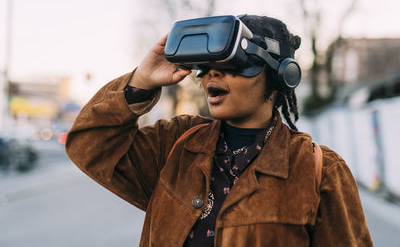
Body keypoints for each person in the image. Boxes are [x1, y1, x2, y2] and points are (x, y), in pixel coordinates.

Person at [66, 14, 373, 246]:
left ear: (280, 78)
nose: (213, 72)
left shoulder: (319, 171)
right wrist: (141, 80)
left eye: (236, 64)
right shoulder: (176, 145)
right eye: (209, 64)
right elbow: (89, 144)